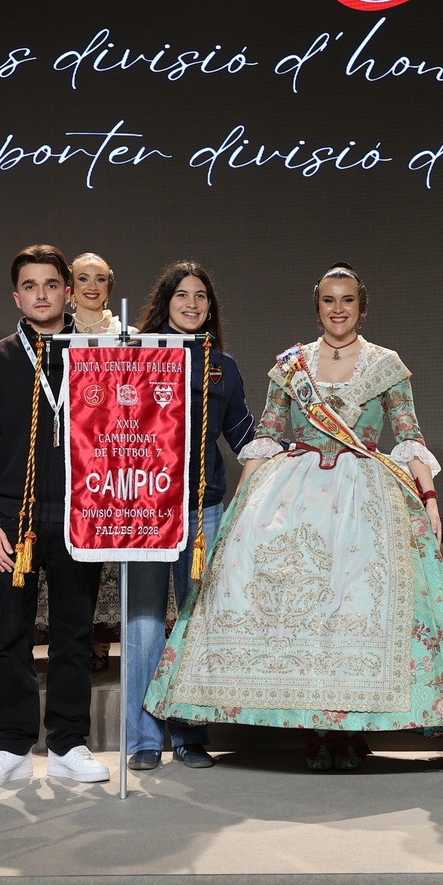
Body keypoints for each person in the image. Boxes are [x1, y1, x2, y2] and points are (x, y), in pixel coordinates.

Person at [148, 264, 443, 772]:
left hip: (365, 499)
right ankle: (316, 733)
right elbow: (267, 434)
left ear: (362, 307)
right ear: (317, 308)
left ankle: (350, 730)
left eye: (348, 300)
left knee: (354, 610)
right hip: (294, 496)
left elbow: (408, 435)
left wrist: (428, 496)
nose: (338, 309)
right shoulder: (291, 366)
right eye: (328, 300)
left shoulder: (386, 364)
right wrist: (242, 503)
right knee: (308, 615)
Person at [0, 245, 109, 788]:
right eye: (30, 286)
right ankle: (12, 745)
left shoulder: (98, 357)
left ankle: (69, 743)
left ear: (68, 292)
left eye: (50, 285)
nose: (41, 295)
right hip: (8, 522)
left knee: (74, 635)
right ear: (16, 297)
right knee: (10, 637)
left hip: (78, 517)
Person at [123, 261, 257, 771]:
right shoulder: (134, 356)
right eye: (182, 294)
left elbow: (244, 436)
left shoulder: (222, 365)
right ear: (166, 301)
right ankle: (142, 739)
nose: (192, 304)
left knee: (196, 623)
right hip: (144, 508)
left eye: (201, 296)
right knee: (143, 624)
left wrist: (297, 455)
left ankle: (189, 734)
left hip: (204, 509)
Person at [59, 252, 130, 671]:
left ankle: (102, 638)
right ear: (70, 287)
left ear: (110, 285)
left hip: (116, 457)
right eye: (83, 278)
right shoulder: (56, 334)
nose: (91, 286)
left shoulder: (128, 335)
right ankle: (76, 641)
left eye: (99, 279)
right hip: (70, 459)